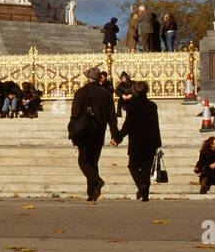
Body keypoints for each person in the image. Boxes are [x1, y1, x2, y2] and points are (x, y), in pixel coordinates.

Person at [68, 67, 122, 202]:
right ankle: (92, 193)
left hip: (84, 131)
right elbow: (112, 117)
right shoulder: (105, 94)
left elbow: (75, 114)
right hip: (99, 131)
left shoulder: (81, 92)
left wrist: (72, 133)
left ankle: (96, 181)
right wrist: (115, 135)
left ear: (88, 79)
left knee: (83, 161)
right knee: (93, 162)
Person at [122, 80, 163, 200]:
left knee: (133, 166)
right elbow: (155, 125)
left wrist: (118, 137)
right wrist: (158, 142)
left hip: (136, 141)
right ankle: (145, 195)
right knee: (146, 168)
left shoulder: (131, 105)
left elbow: (128, 125)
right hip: (150, 142)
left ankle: (141, 184)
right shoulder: (152, 106)